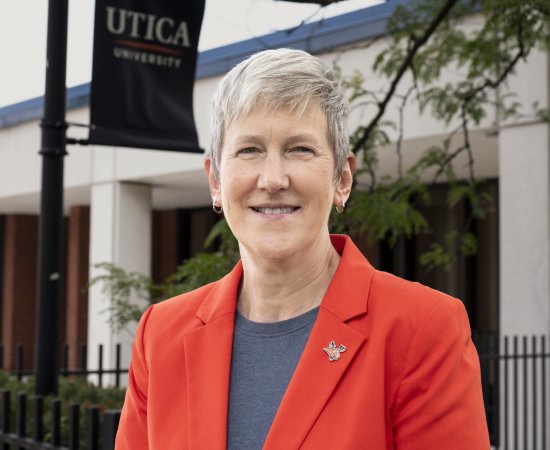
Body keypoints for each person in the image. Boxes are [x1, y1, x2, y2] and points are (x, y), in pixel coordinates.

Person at [115, 48, 490, 449]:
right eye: (249, 150)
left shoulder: (422, 329)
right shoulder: (161, 334)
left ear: (342, 178)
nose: (273, 179)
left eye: (300, 149)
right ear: (216, 182)